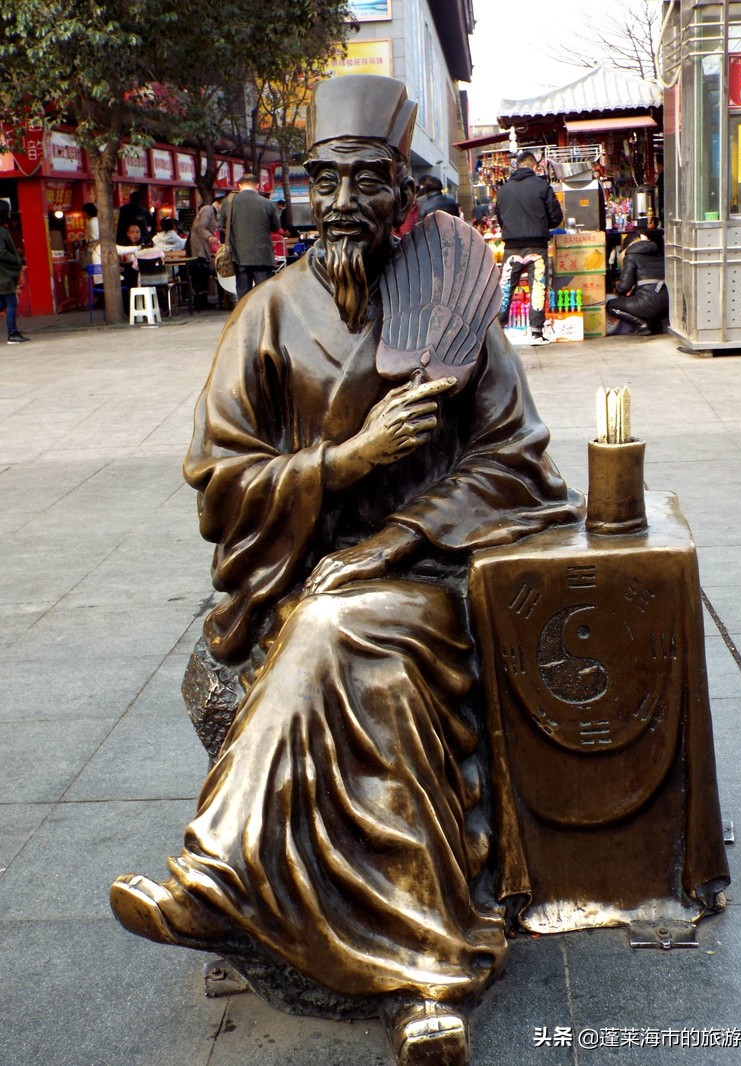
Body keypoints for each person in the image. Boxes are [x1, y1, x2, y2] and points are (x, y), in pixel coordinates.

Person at [109, 74, 581, 1066]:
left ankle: (220, 875)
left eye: (366, 181)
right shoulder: (269, 314)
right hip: (296, 571)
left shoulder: (449, 307)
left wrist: (394, 536)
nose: (340, 203)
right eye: (323, 181)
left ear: (403, 191)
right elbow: (218, 478)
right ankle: (423, 976)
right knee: (336, 637)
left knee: (342, 627)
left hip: (423, 571)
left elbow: (517, 456)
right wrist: (345, 462)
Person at [495, 150, 563, 345]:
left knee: (505, 289)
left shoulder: (504, 190)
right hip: (537, 245)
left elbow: (500, 218)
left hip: (511, 247)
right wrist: (543, 224)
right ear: (535, 166)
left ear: (516, 166)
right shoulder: (542, 186)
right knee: (538, 287)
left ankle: (498, 333)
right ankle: (536, 333)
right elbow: (556, 216)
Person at [217, 173, 280, 301]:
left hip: (239, 256)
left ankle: (247, 313)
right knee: (264, 294)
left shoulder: (228, 202)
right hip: (263, 256)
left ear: (239, 186)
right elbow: (276, 227)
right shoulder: (267, 203)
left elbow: (222, 224)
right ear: (258, 186)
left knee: (244, 295)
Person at [606, 229, 668, 336]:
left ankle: (642, 324)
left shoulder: (631, 256)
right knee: (644, 296)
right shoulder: (658, 254)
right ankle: (655, 325)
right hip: (667, 304)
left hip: (649, 303)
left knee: (611, 305)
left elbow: (624, 287)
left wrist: (616, 285)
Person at [0, 202, 30, 344]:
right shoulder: (1, 231)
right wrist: (17, 260)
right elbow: (1, 252)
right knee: (11, 302)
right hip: (3, 275)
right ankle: (12, 333)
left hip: (3, 274)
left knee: (2, 303)